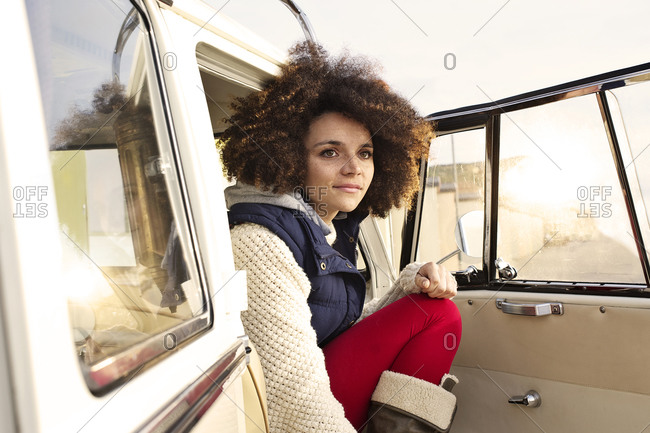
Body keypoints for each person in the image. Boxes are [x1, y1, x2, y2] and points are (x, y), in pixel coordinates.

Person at [220, 42, 462, 433]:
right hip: (294, 414)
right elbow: (294, 397)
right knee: (438, 314)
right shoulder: (259, 241)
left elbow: (339, 331)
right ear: (290, 160)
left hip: (323, 386)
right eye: (330, 152)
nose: (354, 168)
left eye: (365, 153)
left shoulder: (330, 227)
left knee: (431, 308)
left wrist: (411, 283)